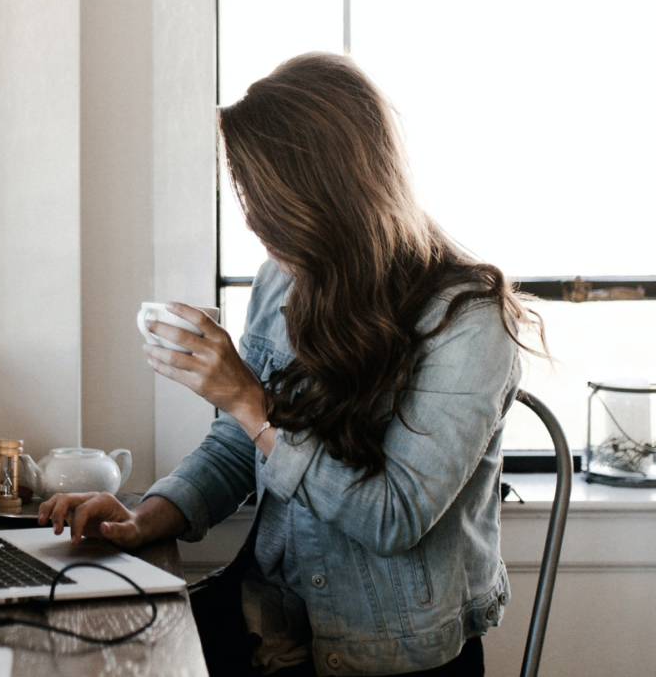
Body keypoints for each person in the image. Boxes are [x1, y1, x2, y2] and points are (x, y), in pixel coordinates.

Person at [38, 52, 543, 676]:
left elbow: (394, 516)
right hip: (270, 619)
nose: (254, 222)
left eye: (267, 202)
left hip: (388, 653)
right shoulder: (283, 281)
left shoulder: (469, 322)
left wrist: (252, 401)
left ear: (331, 197)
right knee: (80, 648)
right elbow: (237, 449)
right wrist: (144, 519)